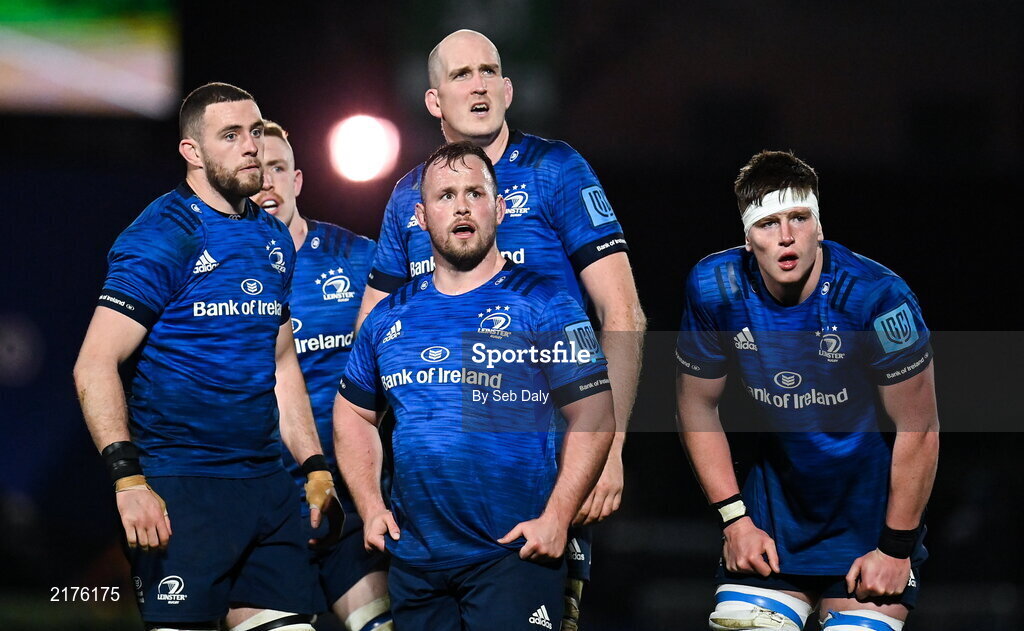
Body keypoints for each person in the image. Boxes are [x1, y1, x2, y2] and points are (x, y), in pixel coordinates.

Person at [356, 29, 646, 628]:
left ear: (509, 89)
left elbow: (623, 314)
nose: (479, 84)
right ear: (434, 101)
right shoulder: (410, 196)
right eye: (461, 75)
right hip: (431, 504)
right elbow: (369, 348)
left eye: (489, 71)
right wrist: (367, 480)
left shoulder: (556, 170)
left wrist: (611, 451)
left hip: (541, 474)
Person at [73, 83, 335, 631]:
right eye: (231, 135)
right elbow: (94, 363)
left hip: (267, 489)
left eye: (256, 132)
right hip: (183, 490)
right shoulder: (163, 235)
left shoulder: (273, 238)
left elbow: (282, 361)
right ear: (192, 152)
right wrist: (128, 481)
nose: (251, 147)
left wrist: (313, 465)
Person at [334, 141, 615, 630]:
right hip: (416, 565)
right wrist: (371, 506)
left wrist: (557, 517)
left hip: (512, 555)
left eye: (474, 193)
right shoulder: (388, 316)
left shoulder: (545, 304)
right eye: (445, 196)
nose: (461, 206)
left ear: (499, 207)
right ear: (420, 216)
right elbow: (352, 412)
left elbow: (594, 413)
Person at [675, 150, 939, 631]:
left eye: (799, 217)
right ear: (747, 237)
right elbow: (696, 407)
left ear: (819, 225)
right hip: (774, 523)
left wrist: (896, 548)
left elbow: (918, 429)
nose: (786, 236)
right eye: (768, 223)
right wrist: (735, 521)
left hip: (870, 529)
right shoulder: (715, 287)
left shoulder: (877, 298)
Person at [249, 120, 393, 631]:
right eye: (255, 170)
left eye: (278, 169)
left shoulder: (360, 260)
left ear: (299, 180)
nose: (266, 182)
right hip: (263, 514)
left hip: (353, 505)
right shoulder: (210, 274)